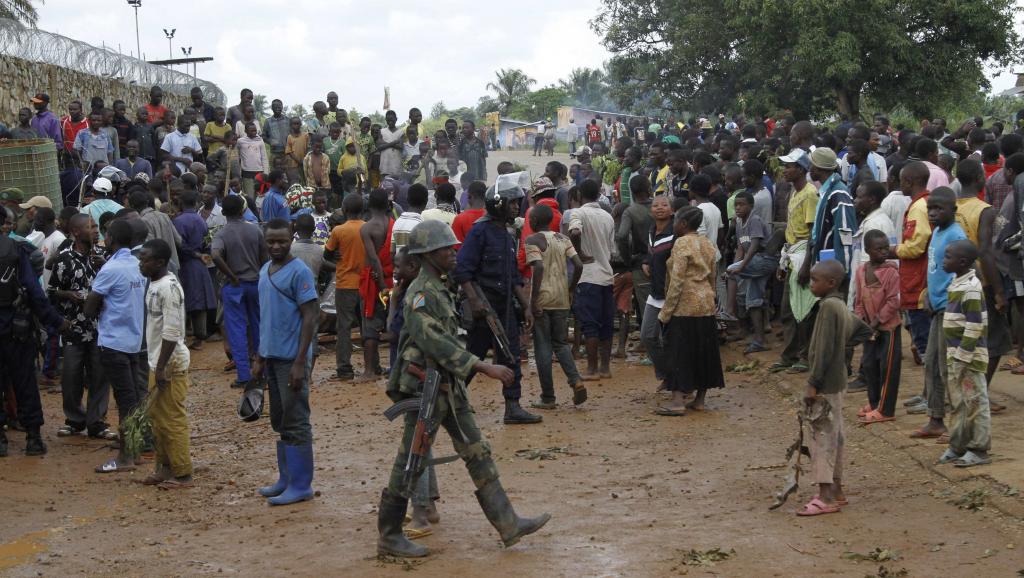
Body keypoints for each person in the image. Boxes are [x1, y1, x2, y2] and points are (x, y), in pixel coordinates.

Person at [376, 219, 550, 559]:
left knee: (477, 449)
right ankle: (390, 534)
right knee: (410, 459)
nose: (453, 253)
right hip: (425, 389)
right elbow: (434, 341)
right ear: (427, 254)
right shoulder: (422, 293)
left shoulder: (439, 286)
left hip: (446, 386)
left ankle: (508, 522)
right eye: (446, 249)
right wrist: (483, 366)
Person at [456, 178, 542, 424]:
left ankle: (512, 407)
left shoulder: (506, 234)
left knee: (511, 355)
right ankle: (449, 399)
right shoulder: (479, 231)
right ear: (498, 204)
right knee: (472, 357)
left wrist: (525, 305)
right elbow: (463, 270)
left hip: (504, 309)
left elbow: (513, 276)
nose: (517, 207)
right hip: (484, 308)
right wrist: (475, 301)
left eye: (518, 203)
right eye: (512, 203)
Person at [253, 219, 320, 506]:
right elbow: (265, 317)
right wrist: (259, 356)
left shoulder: (299, 272)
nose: (276, 246)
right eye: (271, 241)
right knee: (280, 419)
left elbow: (311, 316)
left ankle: (301, 484)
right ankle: (287, 479)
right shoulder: (264, 270)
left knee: (296, 419)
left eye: (281, 241)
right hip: (272, 356)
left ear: (291, 238)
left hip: (291, 358)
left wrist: (299, 361)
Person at [798, 259, 871, 516]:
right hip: (838, 380)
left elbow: (825, 350)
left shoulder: (828, 308)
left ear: (831, 283)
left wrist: (813, 383)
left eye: (815, 280)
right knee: (836, 434)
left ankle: (826, 495)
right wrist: (843, 346)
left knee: (822, 437)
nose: (810, 284)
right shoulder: (839, 305)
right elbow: (864, 330)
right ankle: (837, 490)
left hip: (826, 383)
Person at [0, 210, 69, 457]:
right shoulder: (17, 250)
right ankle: (33, 438)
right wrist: (55, 321)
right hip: (18, 329)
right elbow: (34, 291)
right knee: (25, 382)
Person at [85, 219, 147, 472]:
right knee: (132, 399)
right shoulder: (137, 264)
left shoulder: (110, 269)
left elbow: (89, 309)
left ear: (111, 238)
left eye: (105, 235)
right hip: (134, 340)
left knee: (125, 400)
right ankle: (135, 450)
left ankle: (125, 457)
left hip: (113, 342)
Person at [49, 213, 113, 439]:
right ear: (76, 232)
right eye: (90, 227)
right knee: (71, 375)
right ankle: (74, 420)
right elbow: (51, 292)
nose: (96, 231)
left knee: (99, 375)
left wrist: (104, 266)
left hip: (101, 327)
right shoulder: (64, 259)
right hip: (73, 327)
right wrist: (68, 294)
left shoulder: (105, 256)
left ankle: (97, 422)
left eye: (96, 227)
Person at [135, 238, 193, 489]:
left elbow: (171, 331)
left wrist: (161, 367)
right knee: (157, 419)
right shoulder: (154, 284)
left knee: (172, 419)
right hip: (157, 360)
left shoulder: (168, 288)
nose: (140, 263)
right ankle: (164, 467)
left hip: (169, 363)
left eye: (144, 259)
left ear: (159, 262)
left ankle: (183, 474)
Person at [656, 205, 724, 416]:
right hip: (706, 304)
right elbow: (713, 275)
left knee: (679, 352)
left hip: (685, 304)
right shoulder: (708, 244)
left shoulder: (681, 243)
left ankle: (677, 401)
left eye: (675, 221)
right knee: (704, 351)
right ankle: (700, 400)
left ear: (683, 224)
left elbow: (677, 280)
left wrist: (665, 312)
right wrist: (712, 298)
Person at [911, 187, 967, 439]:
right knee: (932, 362)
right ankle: (936, 418)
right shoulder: (937, 232)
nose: (932, 213)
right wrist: (928, 295)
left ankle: (959, 422)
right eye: (930, 208)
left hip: (951, 309)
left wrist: (949, 301)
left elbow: (964, 270)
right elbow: (934, 268)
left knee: (949, 368)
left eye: (938, 209)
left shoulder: (956, 235)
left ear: (952, 211)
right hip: (936, 308)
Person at [937, 240, 992, 468]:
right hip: (956, 356)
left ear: (961, 262)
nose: (943, 260)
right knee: (958, 402)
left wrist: (963, 355)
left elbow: (974, 326)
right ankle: (957, 445)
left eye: (947, 257)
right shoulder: (957, 282)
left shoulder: (970, 288)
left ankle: (979, 449)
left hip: (968, 359)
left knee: (975, 403)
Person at [525, 204, 586, 409]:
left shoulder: (532, 240)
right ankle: (575, 380)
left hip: (543, 298)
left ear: (533, 221)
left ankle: (548, 397)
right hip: (561, 297)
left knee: (542, 346)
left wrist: (533, 302)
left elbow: (538, 267)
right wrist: (571, 288)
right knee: (560, 344)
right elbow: (578, 265)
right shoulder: (563, 239)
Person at [212, 195, 267, 388]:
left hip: (234, 287)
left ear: (224, 213)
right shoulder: (255, 230)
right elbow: (265, 257)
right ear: (243, 210)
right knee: (258, 327)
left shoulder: (222, 234)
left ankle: (244, 375)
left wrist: (232, 275)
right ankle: (263, 372)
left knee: (236, 331)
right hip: (255, 283)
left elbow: (215, 255)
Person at [771, 149, 816, 374]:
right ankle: (789, 354)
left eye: (788, 166)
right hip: (791, 255)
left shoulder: (810, 194)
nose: (784, 170)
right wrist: (783, 261)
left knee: (803, 310)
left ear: (800, 168)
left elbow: (811, 234)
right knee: (788, 310)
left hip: (803, 256)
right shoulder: (794, 192)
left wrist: (806, 264)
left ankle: (804, 356)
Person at [853, 230, 902, 424]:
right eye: (878, 249)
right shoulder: (861, 271)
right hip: (869, 329)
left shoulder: (891, 272)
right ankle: (874, 404)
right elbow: (858, 301)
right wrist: (862, 322)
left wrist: (875, 323)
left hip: (888, 327)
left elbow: (893, 302)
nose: (884, 252)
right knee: (870, 365)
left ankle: (886, 408)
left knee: (888, 367)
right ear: (867, 250)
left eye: (885, 248)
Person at [568, 179, 616, 380]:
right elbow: (612, 250)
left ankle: (591, 369)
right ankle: (605, 368)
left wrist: (578, 252)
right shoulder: (607, 216)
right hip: (607, 275)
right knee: (606, 324)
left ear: (579, 195)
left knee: (590, 325)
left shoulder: (577, 213)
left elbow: (574, 231)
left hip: (587, 276)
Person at [726, 191, 778, 353]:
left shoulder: (754, 220)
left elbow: (754, 246)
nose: (738, 208)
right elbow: (741, 248)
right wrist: (735, 266)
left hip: (765, 260)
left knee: (735, 277)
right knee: (750, 296)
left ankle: (756, 336)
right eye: (736, 205)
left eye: (742, 204)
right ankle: (753, 336)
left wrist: (738, 268)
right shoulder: (738, 223)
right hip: (753, 263)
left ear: (751, 206)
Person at [323, 193, 366, 380]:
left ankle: (344, 368)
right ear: (362, 210)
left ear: (345, 210)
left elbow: (326, 254)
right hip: (365, 283)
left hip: (345, 283)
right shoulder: (367, 228)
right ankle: (373, 365)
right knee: (367, 325)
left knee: (344, 327)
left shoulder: (338, 231)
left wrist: (337, 256)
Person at [172, 191, 217, 349]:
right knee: (200, 301)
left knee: (187, 301)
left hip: (187, 263)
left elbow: (180, 245)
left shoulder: (178, 221)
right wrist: (202, 255)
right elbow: (208, 242)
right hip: (200, 263)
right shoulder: (201, 220)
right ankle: (200, 336)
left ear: (182, 204)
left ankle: (190, 338)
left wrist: (195, 254)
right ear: (196, 204)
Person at [238, 123, 270, 196]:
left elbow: (264, 157)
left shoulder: (260, 140)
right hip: (247, 173)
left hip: (259, 172)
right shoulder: (240, 141)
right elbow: (238, 156)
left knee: (260, 195)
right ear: (245, 131)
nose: (254, 132)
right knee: (249, 195)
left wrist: (265, 173)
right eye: (251, 131)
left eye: (255, 130)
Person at [290, 214, 323, 279]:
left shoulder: (290, 249)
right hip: (313, 287)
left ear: (296, 228)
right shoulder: (319, 250)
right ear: (314, 229)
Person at [263, 100, 290, 168]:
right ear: (272, 108)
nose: (277, 108)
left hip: (287, 153)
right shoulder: (268, 121)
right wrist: (270, 141)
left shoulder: (288, 120)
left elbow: (292, 135)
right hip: (274, 153)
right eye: (275, 107)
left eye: (279, 107)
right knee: (274, 174)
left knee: (287, 173)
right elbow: (263, 136)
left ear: (282, 107)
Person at [285, 117, 309, 187]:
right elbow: (289, 151)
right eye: (294, 124)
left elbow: (308, 148)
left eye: (298, 124)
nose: (296, 126)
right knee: (296, 181)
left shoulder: (305, 135)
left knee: (305, 179)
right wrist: (298, 160)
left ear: (301, 124)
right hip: (294, 164)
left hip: (304, 162)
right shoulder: (289, 137)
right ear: (291, 125)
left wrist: (304, 159)